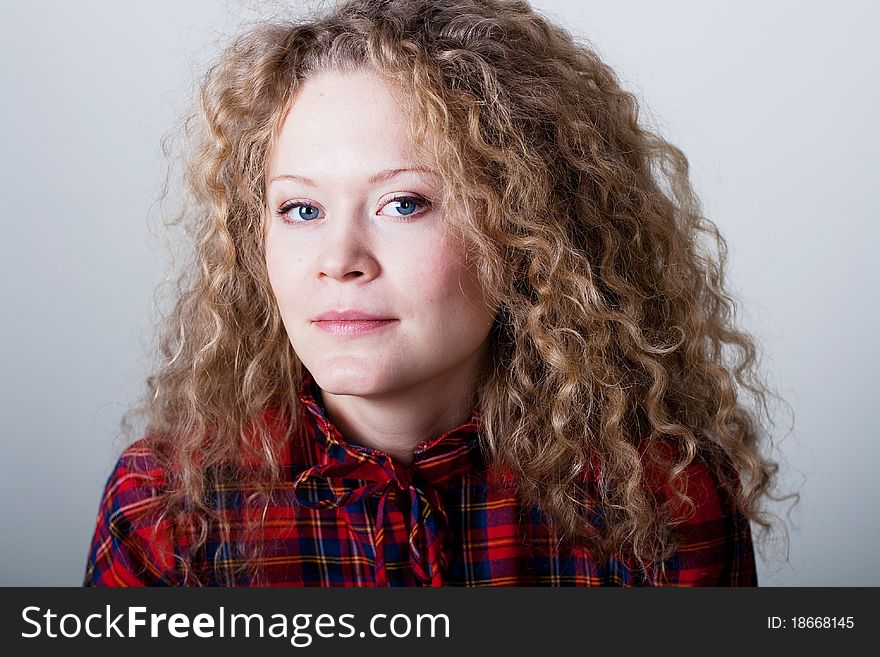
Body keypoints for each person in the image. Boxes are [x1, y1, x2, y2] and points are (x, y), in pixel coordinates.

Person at [84, 0, 780, 587]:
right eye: (301, 210)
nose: (339, 260)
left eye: (403, 203)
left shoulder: (662, 501)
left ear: (524, 230)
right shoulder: (166, 510)